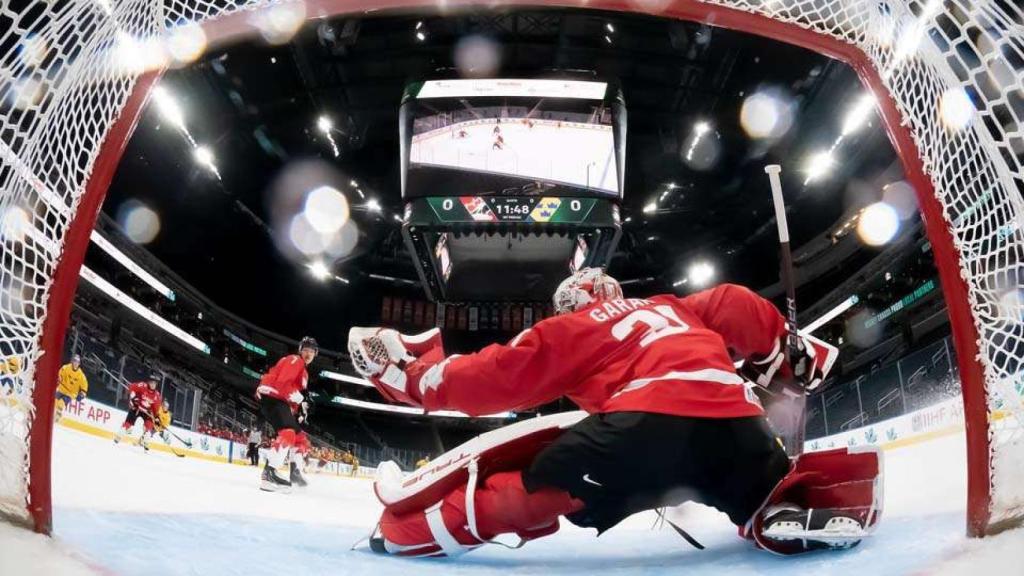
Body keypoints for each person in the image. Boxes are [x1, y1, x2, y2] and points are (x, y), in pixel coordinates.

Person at [348, 267, 877, 558]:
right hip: (738, 423)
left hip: (642, 428)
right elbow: (736, 304)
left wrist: (417, 380)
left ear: (572, 303)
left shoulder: (577, 327)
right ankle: (777, 504)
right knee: (754, 489)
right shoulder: (673, 307)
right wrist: (783, 351)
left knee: (534, 494)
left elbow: (497, 376)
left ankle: (400, 535)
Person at [255, 337, 317, 492]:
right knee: (288, 433)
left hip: (279, 401)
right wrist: (298, 398)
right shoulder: (296, 360)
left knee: (300, 438)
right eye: (305, 349)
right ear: (300, 351)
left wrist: (299, 410)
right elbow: (282, 383)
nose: (308, 353)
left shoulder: (304, 373)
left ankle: (295, 472)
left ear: (315, 354)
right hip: (273, 397)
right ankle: (269, 473)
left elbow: (292, 395)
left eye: (311, 351)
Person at [114, 373, 163, 451]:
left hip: (147, 411)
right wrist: (133, 398)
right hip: (136, 407)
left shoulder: (157, 395)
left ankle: (146, 440)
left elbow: (155, 408)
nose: (152, 384)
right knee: (128, 423)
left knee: (149, 426)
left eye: (154, 383)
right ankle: (119, 436)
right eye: (151, 382)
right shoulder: (142, 385)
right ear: (148, 382)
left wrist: (156, 417)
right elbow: (131, 387)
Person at [54, 354, 88, 422]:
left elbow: (84, 387)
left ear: (79, 363)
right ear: (72, 361)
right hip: (62, 389)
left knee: (61, 403)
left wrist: (82, 394)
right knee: (54, 402)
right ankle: (57, 415)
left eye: (78, 362)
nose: (76, 363)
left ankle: (57, 417)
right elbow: (59, 375)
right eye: (75, 361)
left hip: (71, 393)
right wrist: (58, 379)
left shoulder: (81, 375)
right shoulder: (65, 368)